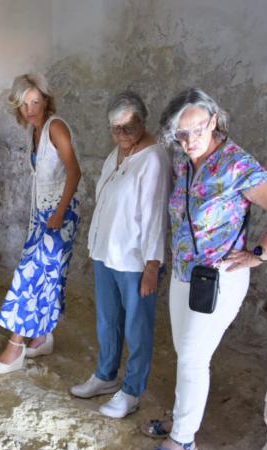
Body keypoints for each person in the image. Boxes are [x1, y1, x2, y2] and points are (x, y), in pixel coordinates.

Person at [141, 88, 267, 450]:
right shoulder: (183, 160)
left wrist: (259, 254)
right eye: (181, 133)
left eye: (198, 129)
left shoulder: (235, 163)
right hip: (184, 274)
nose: (190, 139)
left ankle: (183, 442)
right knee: (186, 353)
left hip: (219, 277)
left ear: (213, 121)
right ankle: (181, 419)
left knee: (194, 357)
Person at [69, 91, 170, 419]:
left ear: (143, 121)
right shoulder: (118, 153)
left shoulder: (153, 158)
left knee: (137, 327)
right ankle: (105, 375)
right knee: (107, 320)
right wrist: (95, 246)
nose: (122, 134)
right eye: (116, 128)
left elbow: (155, 214)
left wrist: (152, 265)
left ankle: (132, 390)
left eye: (129, 126)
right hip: (106, 254)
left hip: (135, 260)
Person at [0, 73, 82, 374]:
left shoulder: (55, 127)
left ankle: (15, 348)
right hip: (43, 214)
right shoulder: (34, 130)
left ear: (46, 100)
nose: (31, 108)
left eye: (36, 101)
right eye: (25, 103)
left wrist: (58, 213)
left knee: (29, 274)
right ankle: (41, 339)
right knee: (48, 277)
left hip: (60, 215)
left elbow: (74, 173)